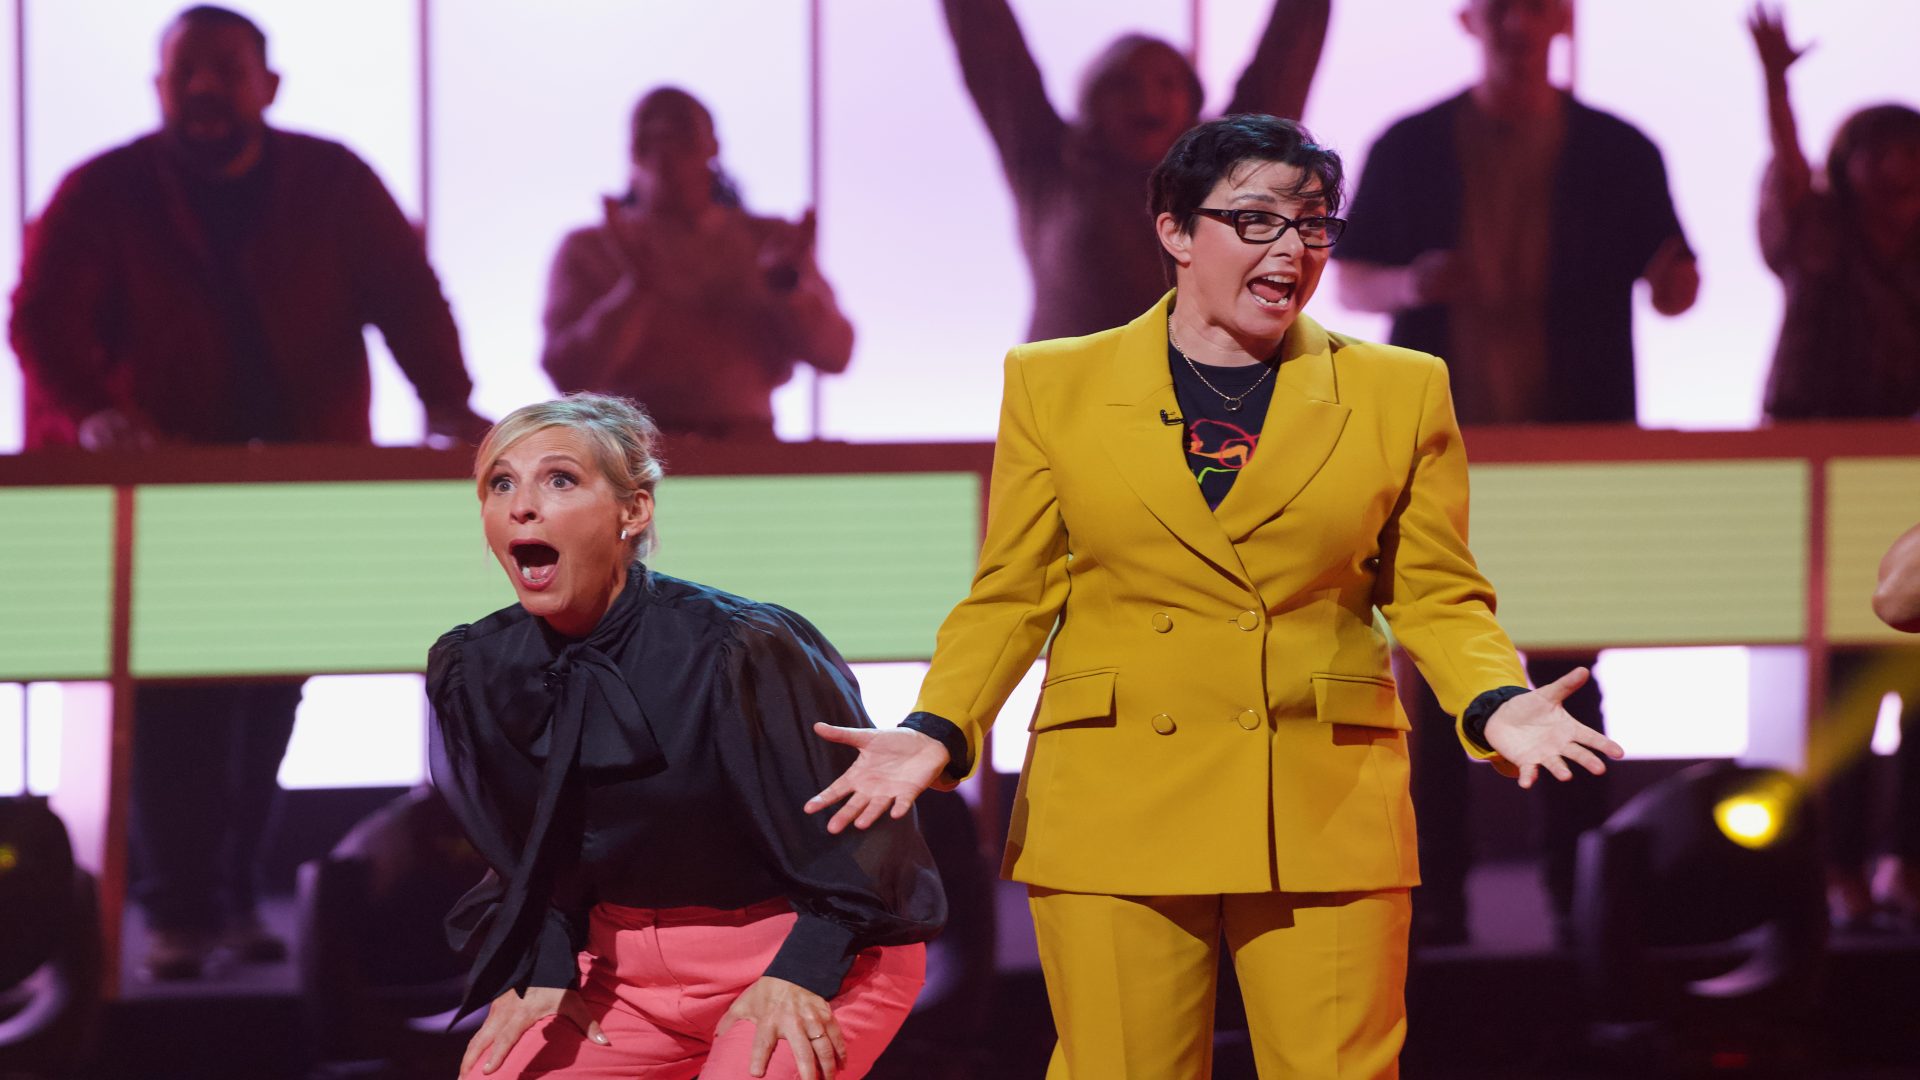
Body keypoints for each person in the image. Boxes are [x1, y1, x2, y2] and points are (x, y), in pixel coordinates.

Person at [805, 114, 1622, 1078]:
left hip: (1322, 796)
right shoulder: (1053, 382)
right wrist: (941, 725)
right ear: (1176, 231)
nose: (1293, 249)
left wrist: (1494, 701)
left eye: (1314, 225)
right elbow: (1011, 595)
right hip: (1117, 793)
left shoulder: (1401, 390)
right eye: (1259, 220)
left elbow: (1438, 594)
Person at [7, 4, 488, 980]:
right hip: (167, 493)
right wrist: (94, 411)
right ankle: (180, 909)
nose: (204, 86)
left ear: (267, 85)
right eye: (186, 70)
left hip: (297, 490)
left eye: (227, 68)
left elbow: (407, 294)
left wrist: (449, 402)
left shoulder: (333, 180)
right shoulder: (105, 190)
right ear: (159, 86)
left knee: (273, 687)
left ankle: (227, 895)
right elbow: (41, 321)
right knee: (175, 700)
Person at [428, 393, 943, 1079]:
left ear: (633, 510)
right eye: (501, 483)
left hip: (813, 947)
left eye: (559, 480)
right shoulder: (480, 667)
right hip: (621, 976)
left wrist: (801, 971)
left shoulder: (741, 647)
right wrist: (544, 966)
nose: (522, 505)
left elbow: (863, 836)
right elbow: (526, 852)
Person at [1332, 0, 1698, 947]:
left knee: (1571, 668)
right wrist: (1415, 284)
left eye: (1537, 7)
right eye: (1502, 7)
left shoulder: (1619, 148)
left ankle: (1586, 896)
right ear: (1470, 20)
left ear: (1563, 22)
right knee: (1437, 670)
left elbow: (1674, 277)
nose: (1519, 23)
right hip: (1442, 449)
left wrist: (1677, 278)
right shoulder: (1413, 142)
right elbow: (1353, 277)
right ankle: (1441, 896)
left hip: (1576, 453)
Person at [1749, 3, 1920, 931]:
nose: (1898, 177)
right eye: (1880, 156)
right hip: (1819, 476)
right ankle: (1840, 869)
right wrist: (1779, 86)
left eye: (1912, 158)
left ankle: (1905, 865)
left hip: (1908, 479)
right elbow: (1789, 180)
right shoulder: (1823, 244)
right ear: (1851, 167)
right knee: (1842, 682)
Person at [940, 0, 1329, 341]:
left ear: (1191, 98)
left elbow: (1286, 54)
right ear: (1094, 98)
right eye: (1124, 84)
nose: (1147, 99)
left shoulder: (1229, 163)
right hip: (1068, 402)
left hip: (1201, 405)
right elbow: (991, 46)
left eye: (1167, 82)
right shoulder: (1048, 163)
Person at [541, 88, 854, 441]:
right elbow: (567, 375)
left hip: (747, 450)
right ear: (633, 152)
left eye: (683, 136)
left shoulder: (768, 242)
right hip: (628, 456)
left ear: (712, 146)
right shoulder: (590, 248)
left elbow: (836, 355)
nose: (668, 153)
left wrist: (787, 289)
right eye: (652, 139)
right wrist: (634, 289)